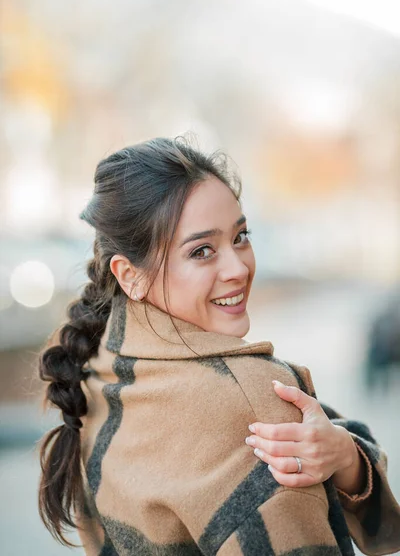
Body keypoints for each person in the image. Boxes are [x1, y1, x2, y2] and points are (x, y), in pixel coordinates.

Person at [38, 137, 400, 555]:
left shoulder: (101, 367)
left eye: (241, 236)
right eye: (202, 250)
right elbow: (383, 534)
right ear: (129, 275)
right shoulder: (253, 406)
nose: (238, 267)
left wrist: (346, 458)